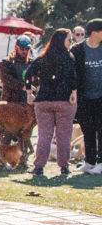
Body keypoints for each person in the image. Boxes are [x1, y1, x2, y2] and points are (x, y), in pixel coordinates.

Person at [26, 29, 78, 176]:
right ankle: (64, 167)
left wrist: (30, 92)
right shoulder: (69, 57)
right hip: (64, 100)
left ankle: (38, 167)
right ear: (62, 41)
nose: (71, 42)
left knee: (44, 135)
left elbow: (28, 74)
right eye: (69, 40)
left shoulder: (43, 58)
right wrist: (73, 92)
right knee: (63, 135)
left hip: (44, 100)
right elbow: (73, 78)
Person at [74, 19, 102, 174]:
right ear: (95, 33)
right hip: (84, 98)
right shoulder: (77, 50)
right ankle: (90, 161)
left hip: (101, 97)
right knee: (88, 130)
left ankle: (101, 162)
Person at [0, 35, 33, 103]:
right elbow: (7, 80)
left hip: (28, 101)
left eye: (27, 48)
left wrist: (35, 80)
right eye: (22, 48)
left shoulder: (31, 63)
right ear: (16, 47)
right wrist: (23, 86)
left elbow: (38, 79)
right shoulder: (6, 63)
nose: (25, 51)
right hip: (11, 102)